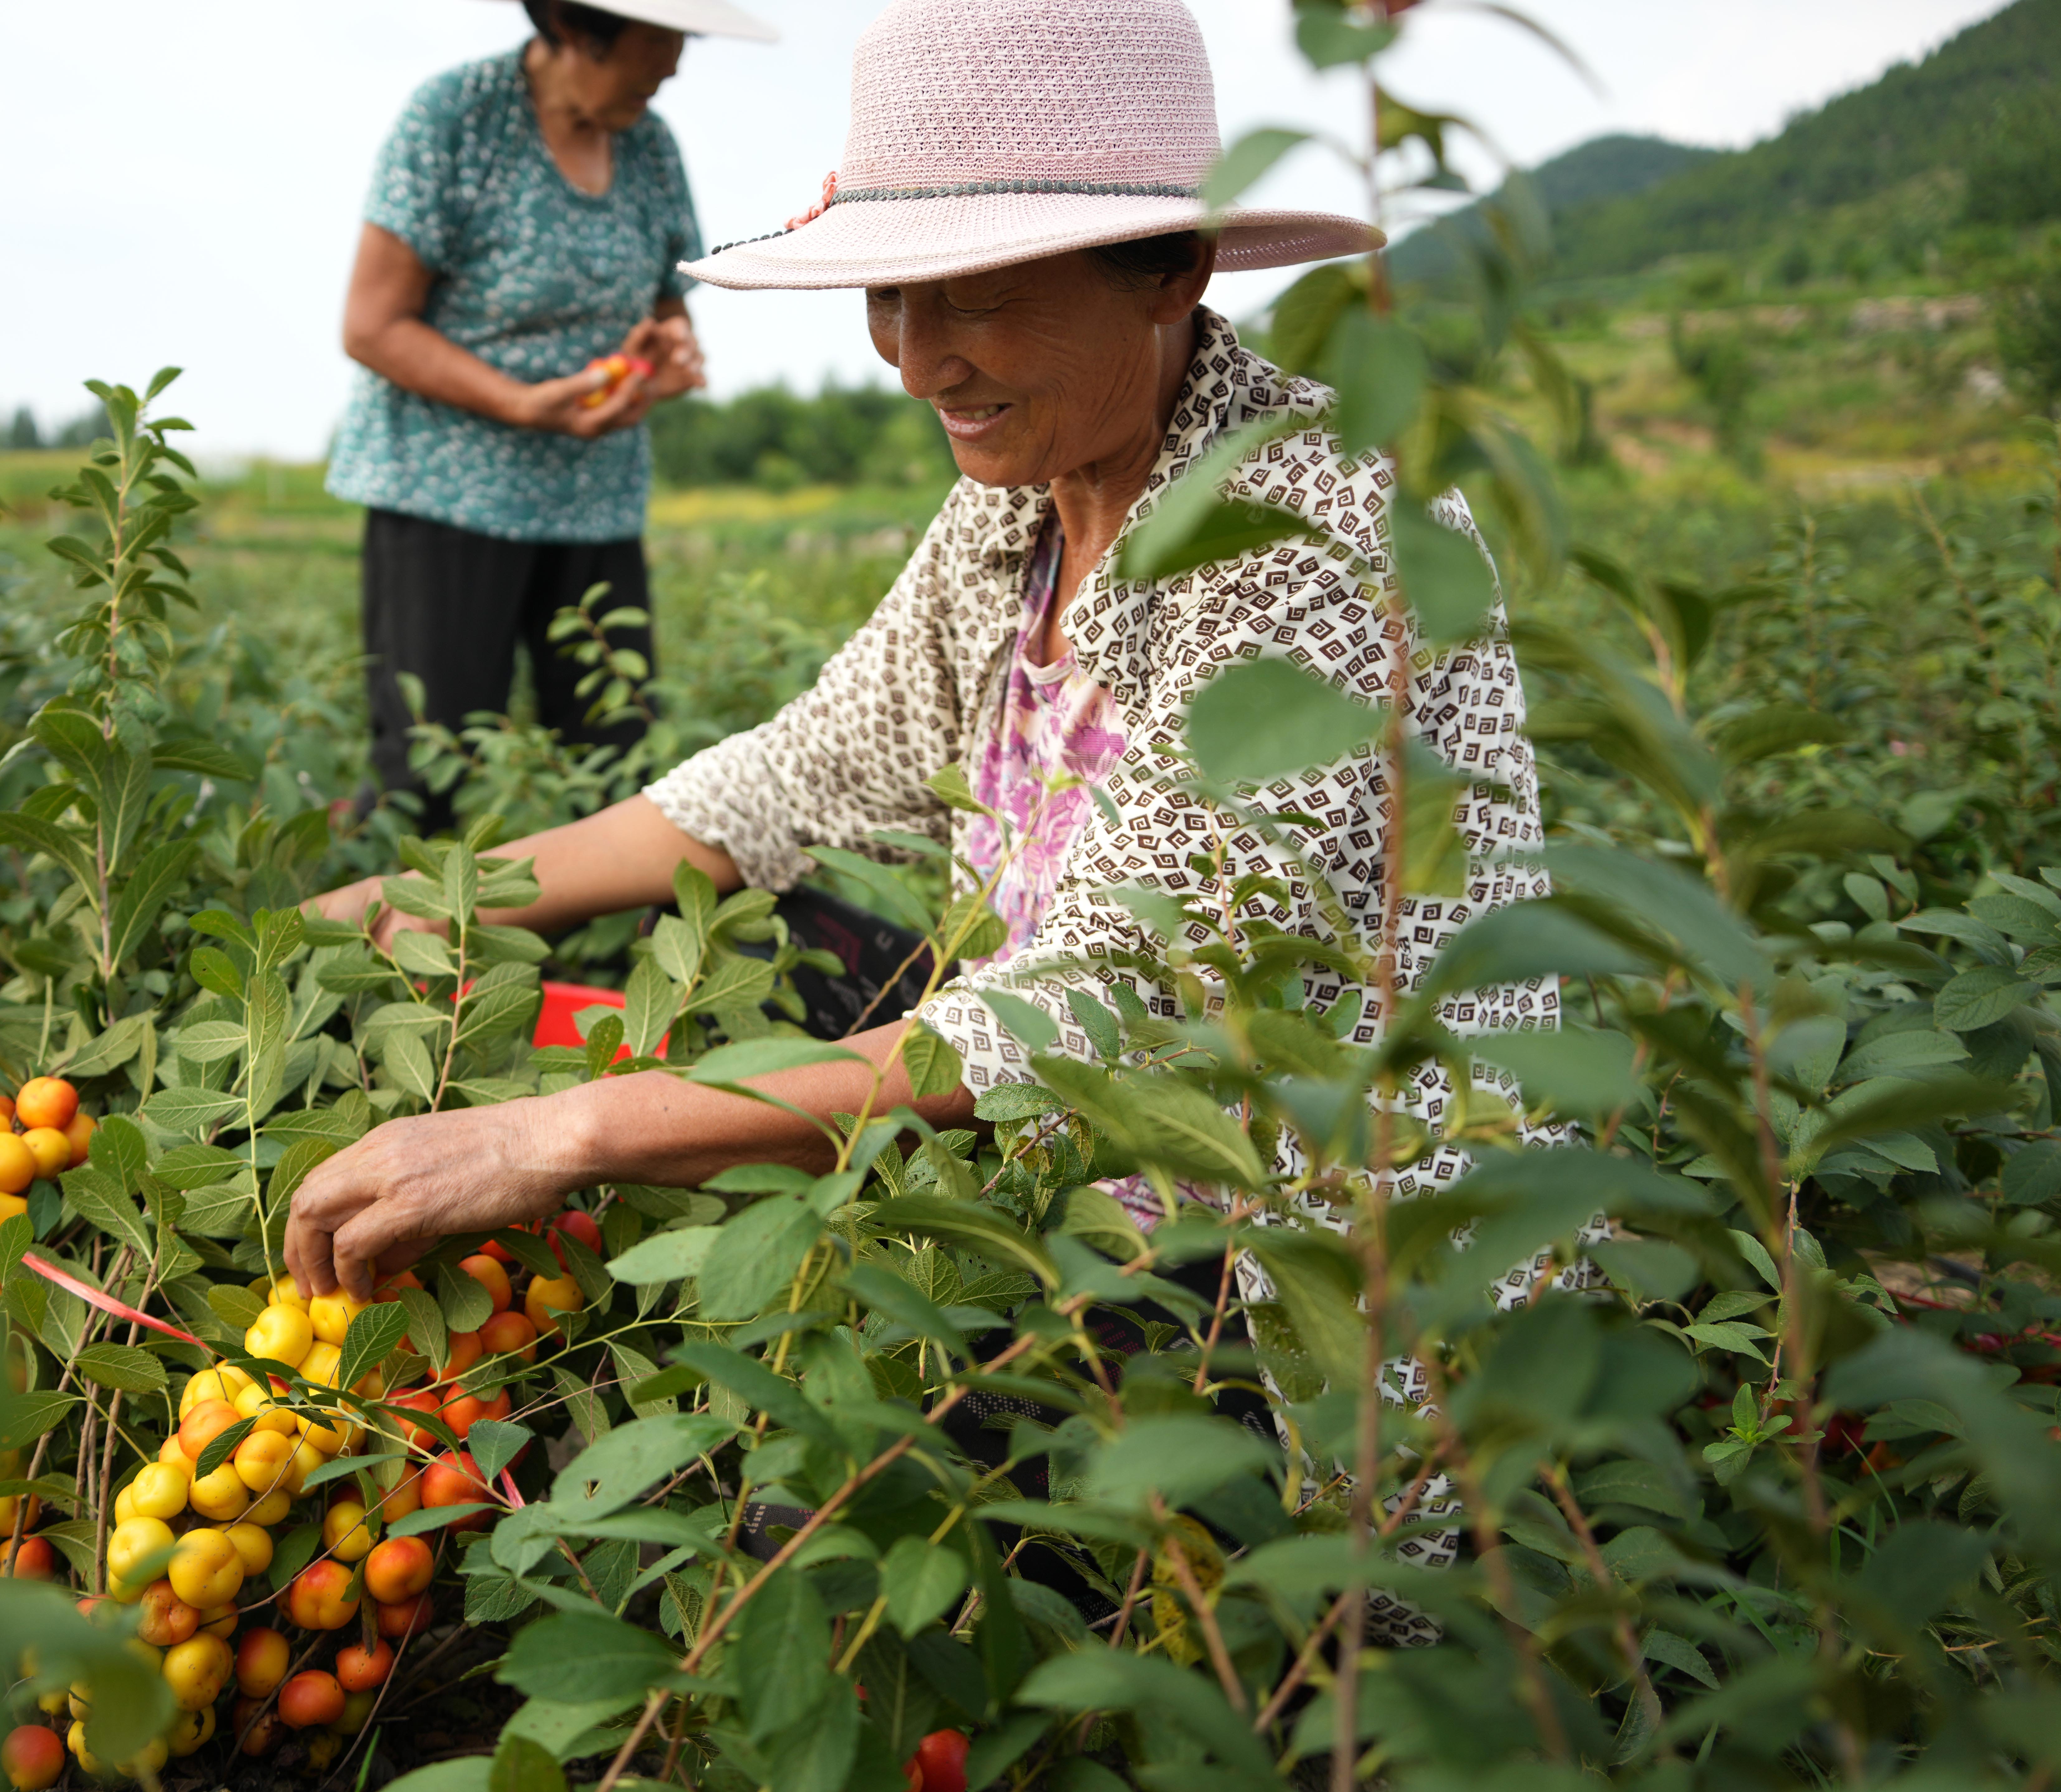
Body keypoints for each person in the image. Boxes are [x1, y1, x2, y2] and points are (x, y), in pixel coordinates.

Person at [287, 0, 1554, 1323]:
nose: (918, 363)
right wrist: (427, 904)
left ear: (1171, 271)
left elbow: (1106, 1002)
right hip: (1064, 1150)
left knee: (856, 1430)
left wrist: (561, 1135)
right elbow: (792, 778)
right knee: (740, 933)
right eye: (891, 296)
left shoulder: (1326, 527)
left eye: (980, 296)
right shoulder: (1023, 505)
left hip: (1292, 1262)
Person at [327, 0, 776, 833]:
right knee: (431, 767)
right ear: (574, 28)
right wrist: (519, 404)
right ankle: (392, 917)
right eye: (656, 40)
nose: (673, 65)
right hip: (445, 499)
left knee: (615, 757)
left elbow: (667, 307)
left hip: (594, 500)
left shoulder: (650, 145)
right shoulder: (457, 118)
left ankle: (608, 923)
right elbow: (373, 325)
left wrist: (665, 359)